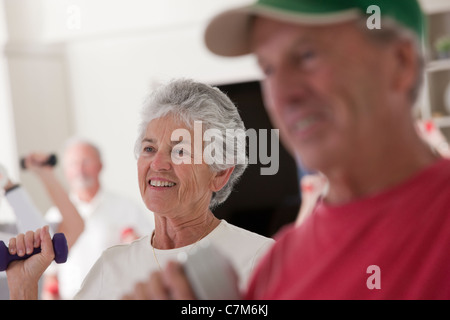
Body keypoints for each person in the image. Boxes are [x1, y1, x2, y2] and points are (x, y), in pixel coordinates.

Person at [121, 0, 450, 299]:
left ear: (400, 63)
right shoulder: (279, 263)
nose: (282, 94)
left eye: (308, 56)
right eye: (268, 69)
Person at [5, 79, 274, 300]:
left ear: (219, 173)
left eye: (180, 150)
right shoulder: (112, 266)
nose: (157, 164)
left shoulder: (262, 259)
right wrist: (23, 287)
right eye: (149, 148)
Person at [42, 139, 155, 299]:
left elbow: (151, 256)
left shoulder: (126, 208)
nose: (80, 170)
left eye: (86, 162)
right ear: (66, 171)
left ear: (100, 166)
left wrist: (137, 246)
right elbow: (51, 278)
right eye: (73, 164)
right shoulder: (54, 216)